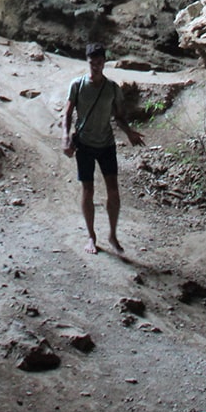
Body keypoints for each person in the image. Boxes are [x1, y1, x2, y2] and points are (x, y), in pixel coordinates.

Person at [62, 41, 144, 254]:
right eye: (92, 63)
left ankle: (113, 235)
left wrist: (129, 133)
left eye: (99, 62)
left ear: (104, 62)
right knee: (88, 190)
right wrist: (65, 137)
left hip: (106, 144)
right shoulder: (77, 85)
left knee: (113, 191)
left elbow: (118, 116)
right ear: (87, 62)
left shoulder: (112, 89)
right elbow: (68, 113)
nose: (96, 66)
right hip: (85, 145)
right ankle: (91, 236)